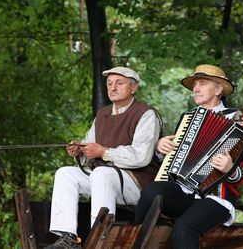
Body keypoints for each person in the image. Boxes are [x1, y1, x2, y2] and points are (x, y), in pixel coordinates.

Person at [135, 64, 243, 249]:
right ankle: (133, 240)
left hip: (216, 197)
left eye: (201, 83)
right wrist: (161, 148)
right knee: (151, 192)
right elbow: (174, 160)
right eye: (194, 85)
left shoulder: (238, 120)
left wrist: (230, 168)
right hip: (184, 192)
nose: (195, 89)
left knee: (184, 228)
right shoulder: (187, 117)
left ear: (218, 89)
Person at [45, 67, 162, 249]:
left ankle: (99, 239)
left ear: (133, 88)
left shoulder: (146, 114)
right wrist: (80, 151)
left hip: (137, 184)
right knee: (65, 173)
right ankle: (69, 238)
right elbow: (89, 146)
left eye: (119, 83)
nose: (112, 87)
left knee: (101, 173)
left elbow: (141, 157)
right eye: (109, 84)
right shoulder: (102, 114)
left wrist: (104, 152)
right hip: (104, 180)